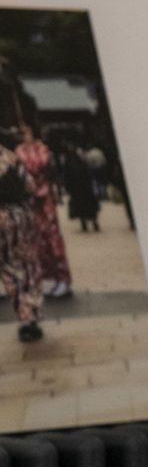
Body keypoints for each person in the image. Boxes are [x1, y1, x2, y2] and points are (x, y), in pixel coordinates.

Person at [14, 125, 73, 297]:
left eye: (25, 132)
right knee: (38, 239)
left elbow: (42, 167)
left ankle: (63, 278)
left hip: (45, 198)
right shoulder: (19, 151)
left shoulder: (42, 149)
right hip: (30, 199)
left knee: (53, 236)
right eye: (20, 132)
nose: (23, 135)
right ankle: (50, 278)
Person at [0, 140, 45, 341]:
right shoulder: (11, 156)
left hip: (3, 218)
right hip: (22, 215)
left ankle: (24, 318)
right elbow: (30, 186)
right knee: (28, 265)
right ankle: (33, 312)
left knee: (9, 268)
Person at [61, 144, 100, 234]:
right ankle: (91, 223)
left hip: (79, 188)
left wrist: (68, 187)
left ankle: (87, 223)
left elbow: (67, 176)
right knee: (88, 206)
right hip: (83, 187)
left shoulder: (70, 160)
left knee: (82, 206)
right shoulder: (80, 159)